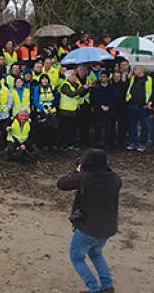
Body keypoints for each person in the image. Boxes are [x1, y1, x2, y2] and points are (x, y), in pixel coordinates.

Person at [57, 150, 121, 293]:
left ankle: (94, 288)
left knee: (76, 258)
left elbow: (61, 183)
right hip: (106, 228)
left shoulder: (85, 178)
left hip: (88, 229)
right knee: (96, 253)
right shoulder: (115, 178)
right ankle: (107, 287)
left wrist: (78, 171)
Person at [59, 70, 88, 151]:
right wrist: (83, 88)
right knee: (66, 129)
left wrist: (87, 88)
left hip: (74, 111)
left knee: (73, 129)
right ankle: (65, 144)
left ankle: (73, 143)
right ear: (68, 77)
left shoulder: (77, 84)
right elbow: (71, 94)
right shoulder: (65, 85)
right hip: (65, 111)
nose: (75, 77)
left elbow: (81, 94)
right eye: (73, 75)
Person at [126, 65, 152, 152]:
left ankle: (142, 143)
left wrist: (149, 103)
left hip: (143, 107)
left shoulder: (149, 80)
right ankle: (133, 142)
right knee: (132, 126)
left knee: (144, 126)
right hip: (133, 105)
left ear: (141, 70)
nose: (133, 71)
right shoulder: (133, 78)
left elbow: (152, 91)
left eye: (135, 69)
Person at [32, 74, 58, 152]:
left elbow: (56, 99)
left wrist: (52, 106)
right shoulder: (37, 88)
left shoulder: (52, 87)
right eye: (43, 79)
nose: (44, 81)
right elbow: (36, 101)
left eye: (46, 79)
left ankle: (52, 144)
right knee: (43, 129)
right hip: (42, 111)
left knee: (53, 128)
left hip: (52, 110)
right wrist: (43, 109)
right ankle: (43, 145)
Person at [91, 72, 116, 150]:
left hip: (109, 111)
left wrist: (109, 106)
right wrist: (101, 106)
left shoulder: (112, 88)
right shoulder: (96, 88)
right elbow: (94, 99)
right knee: (98, 127)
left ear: (108, 78)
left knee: (108, 128)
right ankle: (97, 143)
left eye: (104, 77)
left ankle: (107, 144)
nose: (103, 78)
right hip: (99, 111)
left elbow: (114, 99)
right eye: (101, 77)